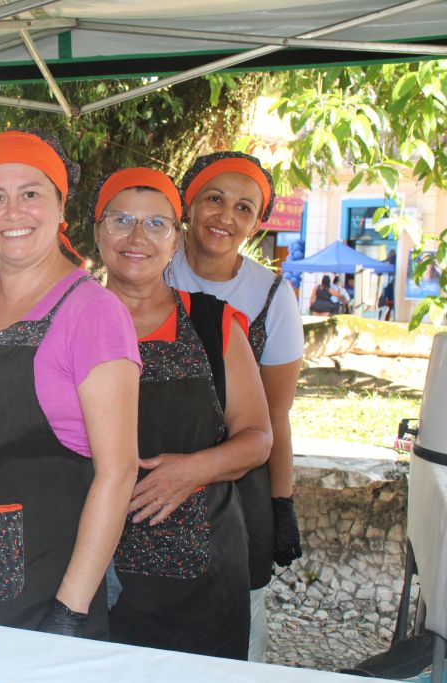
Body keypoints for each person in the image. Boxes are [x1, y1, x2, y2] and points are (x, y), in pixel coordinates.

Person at [0, 130, 140, 639]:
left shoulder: (93, 313)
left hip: (47, 588)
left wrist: (69, 611)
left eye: (31, 194)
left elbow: (118, 473)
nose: (13, 213)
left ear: (59, 205)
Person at [91, 168, 272, 659]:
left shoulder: (214, 324)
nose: (136, 238)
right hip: (88, 564)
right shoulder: (66, 321)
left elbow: (257, 437)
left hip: (203, 574)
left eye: (156, 224)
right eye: (121, 219)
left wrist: (193, 469)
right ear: (97, 230)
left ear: (176, 238)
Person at [167, 151, 304, 661]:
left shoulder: (270, 296)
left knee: (237, 624)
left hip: (237, 480)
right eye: (215, 199)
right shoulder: (149, 265)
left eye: (244, 208)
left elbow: (275, 415)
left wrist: (281, 504)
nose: (226, 216)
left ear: (257, 221)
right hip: (152, 466)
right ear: (189, 202)